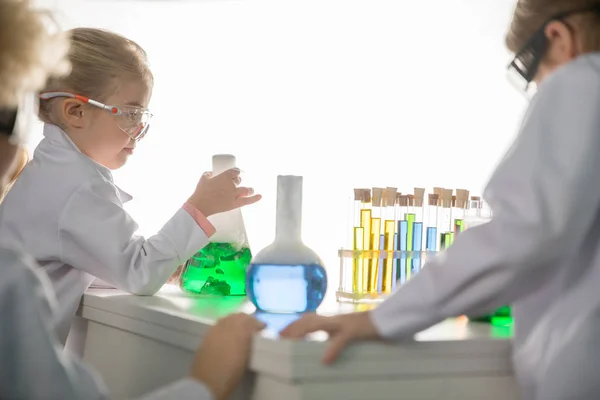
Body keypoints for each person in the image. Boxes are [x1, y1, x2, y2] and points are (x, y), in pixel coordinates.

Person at [281, 1, 600, 399]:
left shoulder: (581, 81)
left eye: (533, 74)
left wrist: (383, 318)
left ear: (558, 38)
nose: (537, 89)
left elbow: (525, 230)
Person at [0, 1, 265, 399]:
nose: (139, 129)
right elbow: (138, 272)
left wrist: (171, 261)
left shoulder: (50, 174)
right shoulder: (76, 187)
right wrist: (201, 207)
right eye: (128, 112)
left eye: (143, 115)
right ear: (75, 111)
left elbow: (79, 255)